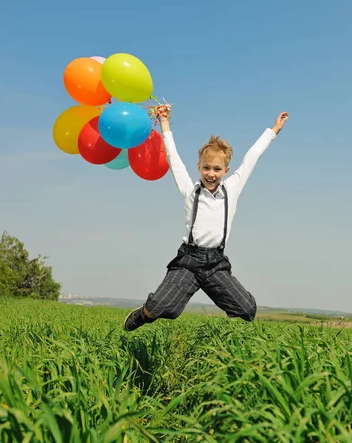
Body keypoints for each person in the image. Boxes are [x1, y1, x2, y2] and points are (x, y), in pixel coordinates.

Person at [124, 110, 289, 331]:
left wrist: (274, 129)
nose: (211, 174)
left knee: (247, 309)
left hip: (215, 264)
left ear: (226, 170)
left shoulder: (232, 188)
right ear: (199, 168)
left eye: (217, 169)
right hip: (189, 262)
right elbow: (173, 158)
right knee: (162, 307)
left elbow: (252, 157)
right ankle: (143, 314)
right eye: (206, 168)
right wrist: (164, 122)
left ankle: (224, 340)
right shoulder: (190, 190)